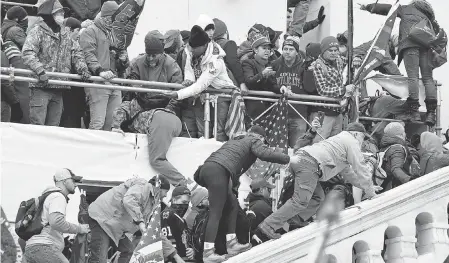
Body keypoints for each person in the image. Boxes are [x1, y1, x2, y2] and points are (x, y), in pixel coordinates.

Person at [258, 123, 378, 240]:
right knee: (299, 201)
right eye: (363, 137)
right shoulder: (351, 141)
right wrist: (371, 192)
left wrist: (366, 186)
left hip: (304, 162)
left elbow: (349, 174)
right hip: (309, 165)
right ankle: (269, 224)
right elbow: (361, 167)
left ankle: (295, 221)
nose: (363, 143)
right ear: (356, 134)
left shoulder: (340, 143)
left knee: (318, 197)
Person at [194, 125, 291, 262]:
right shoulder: (253, 140)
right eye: (263, 142)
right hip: (219, 171)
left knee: (232, 204)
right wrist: (287, 159)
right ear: (260, 137)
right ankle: (208, 253)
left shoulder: (233, 141)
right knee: (217, 211)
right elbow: (265, 154)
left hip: (211, 170)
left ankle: (232, 243)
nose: (263, 145)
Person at [360, 1, 440, 126]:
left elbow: (388, 9)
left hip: (411, 45)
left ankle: (414, 112)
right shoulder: (428, 18)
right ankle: (431, 113)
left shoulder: (407, 9)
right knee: (428, 79)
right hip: (427, 47)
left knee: (412, 77)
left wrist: (369, 7)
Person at [22, 0, 91, 126]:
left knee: (54, 128)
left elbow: (77, 53)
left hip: (59, 87)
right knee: (38, 126)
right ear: (50, 14)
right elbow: (27, 52)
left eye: (63, 13)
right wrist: (40, 70)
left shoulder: (65, 34)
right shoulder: (37, 31)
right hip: (40, 86)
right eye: (59, 12)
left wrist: (83, 70)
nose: (62, 15)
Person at [112, 92, 196, 188]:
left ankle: (186, 184)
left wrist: (116, 126)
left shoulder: (131, 106)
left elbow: (119, 110)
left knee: (157, 160)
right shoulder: (151, 105)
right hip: (176, 121)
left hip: (159, 121)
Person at [170, 25, 236, 141]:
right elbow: (189, 69)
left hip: (221, 95)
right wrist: (189, 80)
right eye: (190, 47)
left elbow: (201, 84)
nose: (191, 50)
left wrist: (178, 94)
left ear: (204, 45)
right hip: (202, 94)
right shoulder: (191, 51)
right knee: (202, 130)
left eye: (194, 48)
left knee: (219, 131)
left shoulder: (216, 61)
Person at [87, 177, 161, 263]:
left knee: (129, 250)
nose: (166, 195)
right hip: (102, 219)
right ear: (159, 188)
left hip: (114, 225)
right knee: (99, 260)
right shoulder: (142, 186)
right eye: (166, 191)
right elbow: (129, 201)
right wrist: (140, 222)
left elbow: (144, 225)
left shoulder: (151, 201)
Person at [24, 169, 89, 263]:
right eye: (73, 181)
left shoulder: (48, 196)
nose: (76, 184)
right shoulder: (58, 197)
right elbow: (56, 222)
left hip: (33, 248)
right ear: (64, 181)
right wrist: (80, 229)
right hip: (44, 247)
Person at [80, 1, 125, 131]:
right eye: (114, 18)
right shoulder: (89, 32)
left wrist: (123, 60)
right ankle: (92, 150)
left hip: (114, 82)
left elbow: (119, 61)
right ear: (106, 17)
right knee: (97, 123)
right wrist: (99, 71)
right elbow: (88, 54)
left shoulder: (113, 33)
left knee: (113, 124)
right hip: (98, 82)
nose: (116, 21)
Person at [310, 36, 353, 142]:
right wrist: (343, 90)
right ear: (323, 51)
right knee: (319, 143)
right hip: (323, 112)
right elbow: (322, 90)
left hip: (338, 111)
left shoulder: (338, 60)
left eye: (336, 50)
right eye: (330, 51)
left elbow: (350, 56)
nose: (333, 53)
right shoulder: (317, 65)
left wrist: (357, 58)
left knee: (335, 144)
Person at [272, 36, 309, 147]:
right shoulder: (275, 64)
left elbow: (309, 88)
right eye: (285, 49)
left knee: (297, 149)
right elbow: (270, 84)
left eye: (291, 49)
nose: (287, 52)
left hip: (298, 114)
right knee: (277, 149)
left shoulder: (303, 66)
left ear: (297, 52)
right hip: (279, 113)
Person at [241, 32, 281, 120]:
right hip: (254, 110)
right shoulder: (248, 63)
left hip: (269, 110)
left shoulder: (270, 64)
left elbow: (272, 86)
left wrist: (282, 88)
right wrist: (262, 74)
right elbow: (249, 82)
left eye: (269, 48)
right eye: (264, 48)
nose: (267, 51)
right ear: (255, 50)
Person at [1, 6, 29, 123]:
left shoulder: (4, 28)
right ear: (17, 19)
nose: (27, 22)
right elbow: (30, 47)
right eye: (26, 19)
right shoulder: (15, 30)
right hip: (18, 74)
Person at [379, 122, 416, 191]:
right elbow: (396, 169)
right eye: (404, 132)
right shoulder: (397, 148)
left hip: (386, 185)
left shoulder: (385, 146)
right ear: (400, 135)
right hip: (395, 186)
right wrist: (411, 181)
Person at [162, 186, 195, 263]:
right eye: (184, 202)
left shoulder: (181, 219)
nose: (186, 206)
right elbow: (167, 241)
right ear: (174, 200)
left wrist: (191, 250)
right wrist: (174, 258)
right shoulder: (167, 215)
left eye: (187, 203)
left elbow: (184, 241)